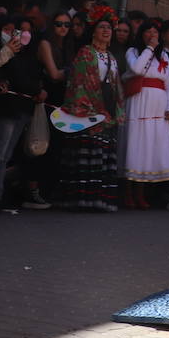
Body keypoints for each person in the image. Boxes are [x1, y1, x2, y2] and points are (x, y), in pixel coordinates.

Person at [57, 15, 125, 212]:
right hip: (88, 110)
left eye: (109, 28)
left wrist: (116, 110)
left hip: (107, 113)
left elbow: (116, 86)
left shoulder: (112, 58)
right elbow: (78, 80)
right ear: (93, 32)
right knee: (86, 155)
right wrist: (92, 106)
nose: (106, 31)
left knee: (102, 156)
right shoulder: (86, 53)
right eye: (102, 27)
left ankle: (100, 200)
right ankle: (80, 200)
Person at [0, 17, 45, 212]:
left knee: (7, 154)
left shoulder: (32, 55)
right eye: (20, 30)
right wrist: (36, 88)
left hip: (24, 109)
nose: (24, 35)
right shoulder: (7, 53)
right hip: (8, 108)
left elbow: (34, 79)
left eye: (28, 31)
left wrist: (37, 88)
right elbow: (19, 79)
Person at [121, 19, 169, 207]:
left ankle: (141, 193)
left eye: (155, 32)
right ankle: (128, 192)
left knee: (149, 147)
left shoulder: (165, 57)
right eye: (148, 32)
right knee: (135, 143)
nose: (152, 35)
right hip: (139, 101)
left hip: (157, 106)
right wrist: (150, 49)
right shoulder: (133, 52)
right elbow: (137, 69)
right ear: (141, 34)